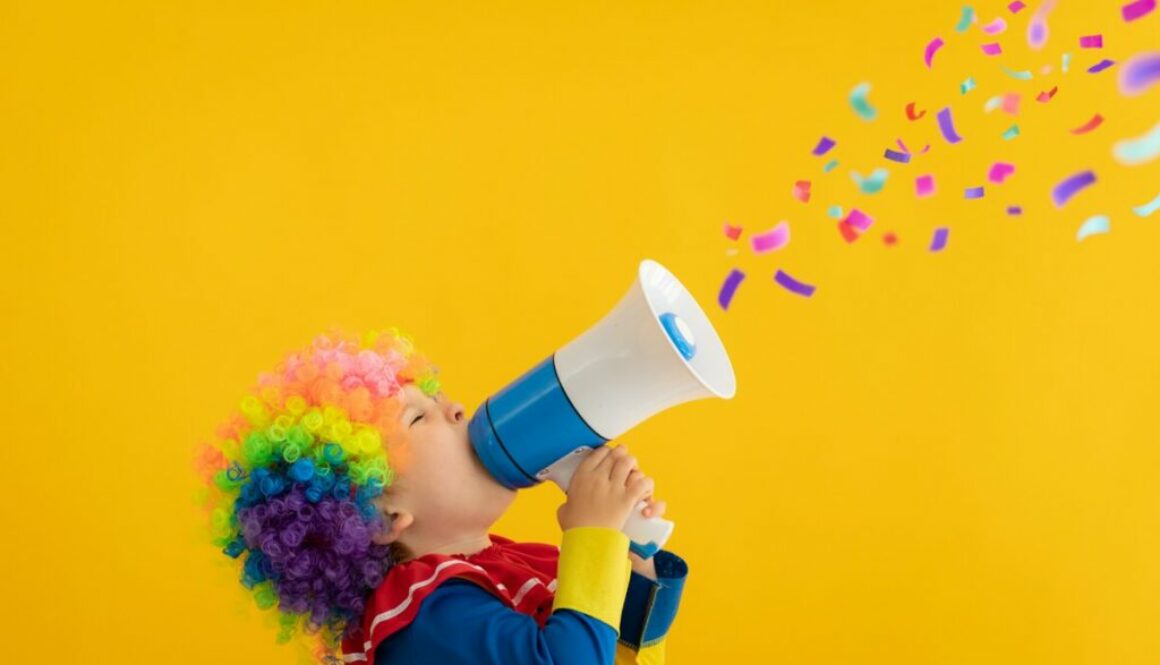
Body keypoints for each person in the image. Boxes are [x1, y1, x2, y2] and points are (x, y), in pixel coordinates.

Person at [195, 328, 686, 665]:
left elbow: (616, 650)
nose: (456, 409)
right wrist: (591, 538)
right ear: (384, 517)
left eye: (438, 399)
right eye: (417, 417)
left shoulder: (510, 565)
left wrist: (630, 555)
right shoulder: (422, 616)